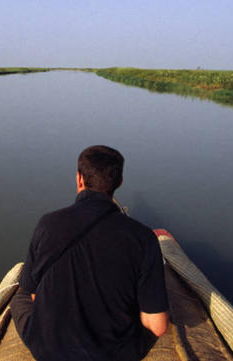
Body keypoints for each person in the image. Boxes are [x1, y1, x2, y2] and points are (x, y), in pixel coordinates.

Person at [11, 145, 169, 361]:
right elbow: (158, 327)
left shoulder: (48, 224)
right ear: (119, 183)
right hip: (114, 355)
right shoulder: (144, 238)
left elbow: (34, 294)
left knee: (21, 294)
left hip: (50, 351)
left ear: (79, 179)